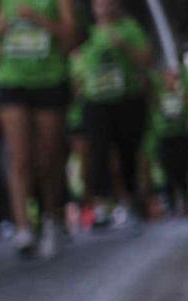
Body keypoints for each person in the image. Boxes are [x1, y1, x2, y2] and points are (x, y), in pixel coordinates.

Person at [0, 0, 79, 258]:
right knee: (20, 157)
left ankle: (52, 218)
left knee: (49, 156)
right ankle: (23, 228)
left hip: (49, 80)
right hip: (11, 81)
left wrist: (38, 18)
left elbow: (71, 38)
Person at [73, 0, 154, 228]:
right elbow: (76, 61)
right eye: (99, 4)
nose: (104, 7)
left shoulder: (129, 28)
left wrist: (124, 45)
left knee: (127, 150)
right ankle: (101, 205)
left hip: (126, 98)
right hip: (95, 101)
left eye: (108, 3)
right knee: (98, 151)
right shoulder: (86, 33)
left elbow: (146, 59)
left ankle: (131, 199)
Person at [155, 66, 188, 214]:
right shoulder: (158, 95)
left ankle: (184, 201)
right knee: (169, 171)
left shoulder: (181, 94)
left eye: (172, 77)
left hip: (181, 136)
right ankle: (172, 203)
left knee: (183, 169)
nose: (170, 80)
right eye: (166, 77)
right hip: (165, 138)